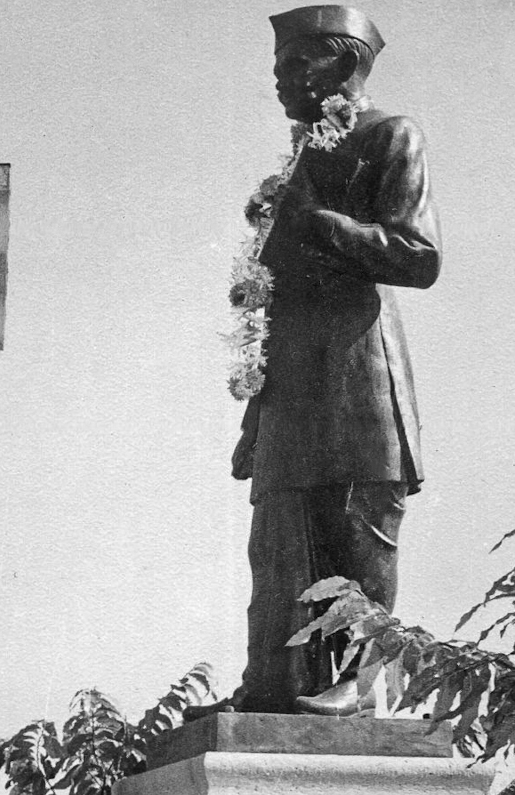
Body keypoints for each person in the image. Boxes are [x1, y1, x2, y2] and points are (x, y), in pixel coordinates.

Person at [196, 4, 441, 719]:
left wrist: (321, 224)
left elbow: (419, 255)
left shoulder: (390, 135)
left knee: (358, 535)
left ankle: (362, 686)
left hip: (359, 370)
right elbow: (276, 298)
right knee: (279, 542)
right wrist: (254, 414)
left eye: (294, 64)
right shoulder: (301, 159)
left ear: (342, 63)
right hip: (292, 385)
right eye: (277, 67)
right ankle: (273, 684)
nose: (280, 81)